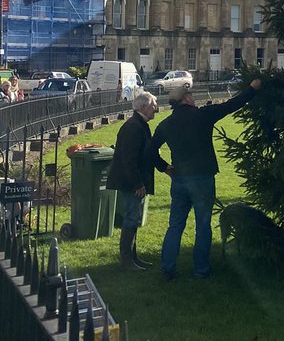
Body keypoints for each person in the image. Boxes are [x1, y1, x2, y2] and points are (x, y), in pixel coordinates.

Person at [151, 77, 262, 280]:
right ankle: (201, 269)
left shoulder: (165, 124)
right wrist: (252, 89)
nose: (194, 97)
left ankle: (168, 268)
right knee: (202, 224)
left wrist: (164, 167)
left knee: (175, 225)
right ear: (186, 98)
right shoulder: (203, 115)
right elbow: (231, 105)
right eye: (191, 94)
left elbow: (149, 151)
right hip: (202, 177)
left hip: (180, 179)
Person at [106, 90, 170, 270]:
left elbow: (147, 153)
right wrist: (138, 184)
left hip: (132, 180)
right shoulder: (134, 127)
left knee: (133, 217)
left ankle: (133, 257)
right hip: (130, 182)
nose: (155, 108)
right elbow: (129, 159)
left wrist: (164, 167)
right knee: (131, 217)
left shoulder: (138, 124)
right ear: (143, 107)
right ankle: (127, 260)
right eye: (152, 105)